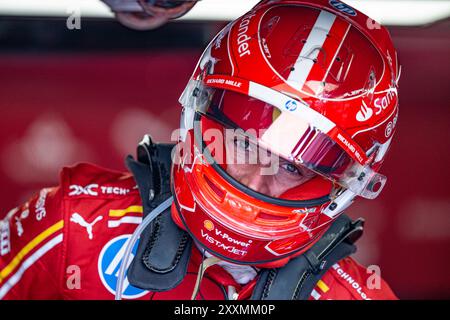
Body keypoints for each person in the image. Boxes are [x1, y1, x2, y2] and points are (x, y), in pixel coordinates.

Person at [0, 0, 400, 300]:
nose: (256, 180)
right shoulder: (76, 225)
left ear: (343, 184)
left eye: (293, 168)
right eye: (243, 143)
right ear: (200, 113)